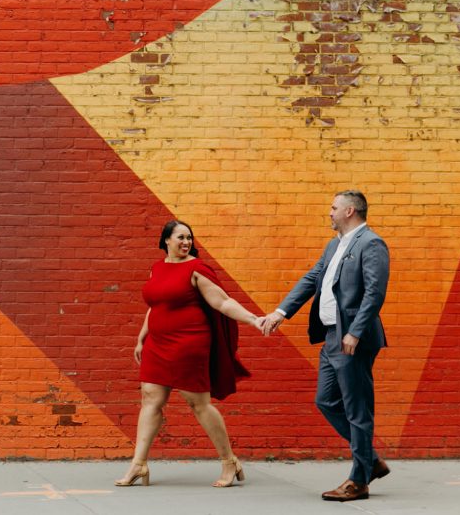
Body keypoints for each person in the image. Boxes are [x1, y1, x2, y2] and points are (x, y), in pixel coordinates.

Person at [261, 190, 390, 502]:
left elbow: (375, 292)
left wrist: (356, 332)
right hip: (332, 336)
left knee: (357, 410)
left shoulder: (371, 243)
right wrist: (281, 312)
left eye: (334, 208)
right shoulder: (335, 245)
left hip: (351, 338)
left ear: (349, 211)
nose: (329, 212)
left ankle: (359, 480)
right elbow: (312, 279)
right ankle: (370, 460)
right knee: (326, 401)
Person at [116, 220, 265, 488]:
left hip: (188, 343)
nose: (186, 242)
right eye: (181, 237)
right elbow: (156, 305)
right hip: (157, 343)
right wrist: (141, 337)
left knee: (198, 403)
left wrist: (254, 320)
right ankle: (138, 465)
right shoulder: (157, 268)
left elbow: (222, 301)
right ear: (166, 241)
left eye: (189, 238)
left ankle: (228, 460)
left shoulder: (196, 269)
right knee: (150, 398)